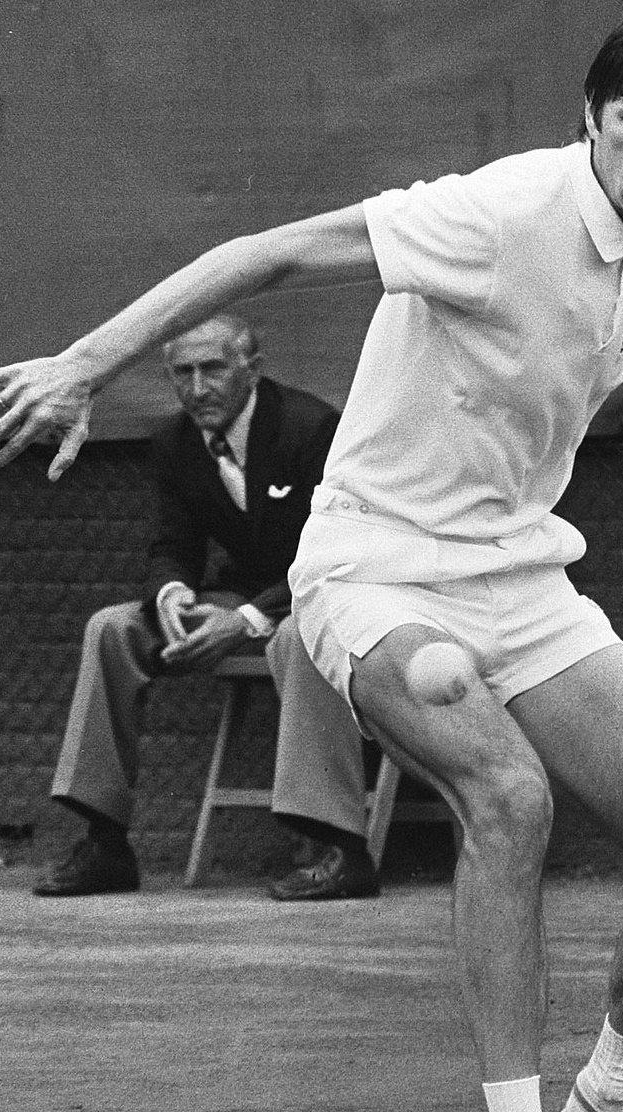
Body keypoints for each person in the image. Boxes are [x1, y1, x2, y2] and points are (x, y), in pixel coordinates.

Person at [0, 7, 623, 1112]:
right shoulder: (497, 212)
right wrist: (86, 362)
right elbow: (265, 251)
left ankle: (614, 1097)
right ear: (591, 119)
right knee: (508, 795)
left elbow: (546, 400)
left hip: (520, 573)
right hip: (372, 566)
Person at [32, 313, 380, 901]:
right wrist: (172, 592)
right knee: (113, 629)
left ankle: (339, 848)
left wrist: (245, 620)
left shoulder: (310, 427)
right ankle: (105, 842)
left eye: (212, 370)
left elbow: (335, 553)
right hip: (244, 596)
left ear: (253, 369)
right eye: (182, 373)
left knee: (298, 637)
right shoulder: (175, 441)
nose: (197, 388)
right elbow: (172, 544)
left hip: (328, 593)